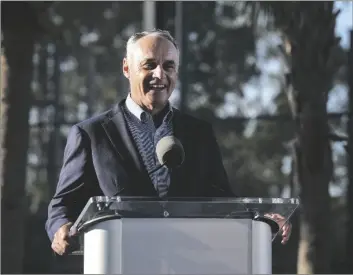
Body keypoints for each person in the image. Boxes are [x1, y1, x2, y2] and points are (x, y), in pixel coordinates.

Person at [46, 29, 291, 255]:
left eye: (168, 66)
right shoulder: (91, 134)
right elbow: (62, 206)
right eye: (149, 65)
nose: (159, 74)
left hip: (188, 261)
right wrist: (60, 228)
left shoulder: (199, 133)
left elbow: (221, 200)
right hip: (120, 260)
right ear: (126, 68)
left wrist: (260, 219)